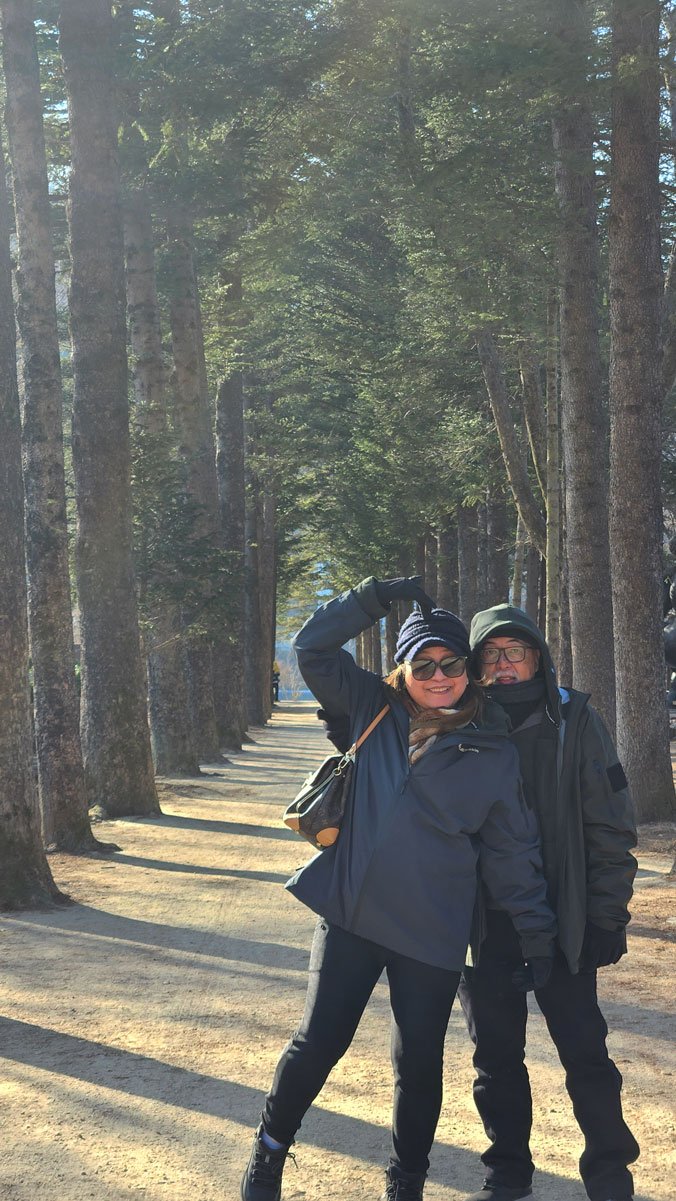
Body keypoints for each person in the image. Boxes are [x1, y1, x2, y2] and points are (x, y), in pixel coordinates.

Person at [241, 577, 557, 1201]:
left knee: (418, 1065)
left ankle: (405, 1180)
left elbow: (512, 852)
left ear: (468, 670)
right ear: (402, 670)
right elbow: (312, 649)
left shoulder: (492, 751)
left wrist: (536, 934)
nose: (440, 676)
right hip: (352, 914)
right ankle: (269, 1155)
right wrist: (371, 598)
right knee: (317, 1044)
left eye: (452, 664)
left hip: (432, 934)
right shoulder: (371, 708)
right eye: (424, 664)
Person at [458, 603, 639, 1201]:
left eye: (515, 652)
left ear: (538, 654)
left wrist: (608, 915)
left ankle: (610, 1173)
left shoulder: (575, 718)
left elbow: (609, 824)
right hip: (484, 926)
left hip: (565, 923)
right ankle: (506, 1175)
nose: (503, 665)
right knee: (496, 1062)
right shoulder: (458, 721)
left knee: (586, 1055)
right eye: (490, 654)